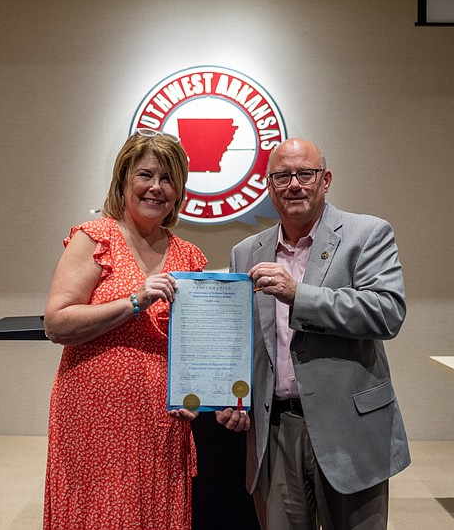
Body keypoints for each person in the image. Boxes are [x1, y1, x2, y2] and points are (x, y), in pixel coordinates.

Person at [218, 137, 410, 530]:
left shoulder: (367, 234)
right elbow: (241, 340)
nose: (294, 184)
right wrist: (228, 394)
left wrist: (297, 295)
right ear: (269, 186)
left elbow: (387, 313)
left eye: (305, 173)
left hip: (349, 427)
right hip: (276, 430)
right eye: (283, 176)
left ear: (326, 180)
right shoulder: (246, 251)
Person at [42, 129, 208, 530]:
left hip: (163, 417)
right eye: (145, 175)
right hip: (95, 413)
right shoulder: (94, 238)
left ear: (179, 190)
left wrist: (200, 394)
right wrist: (134, 301)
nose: (156, 188)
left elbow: (198, 347)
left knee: (154, 511)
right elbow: (57, 323)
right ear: (123, 181)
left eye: (168, 179)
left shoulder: (190, 256)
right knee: (98, 512)